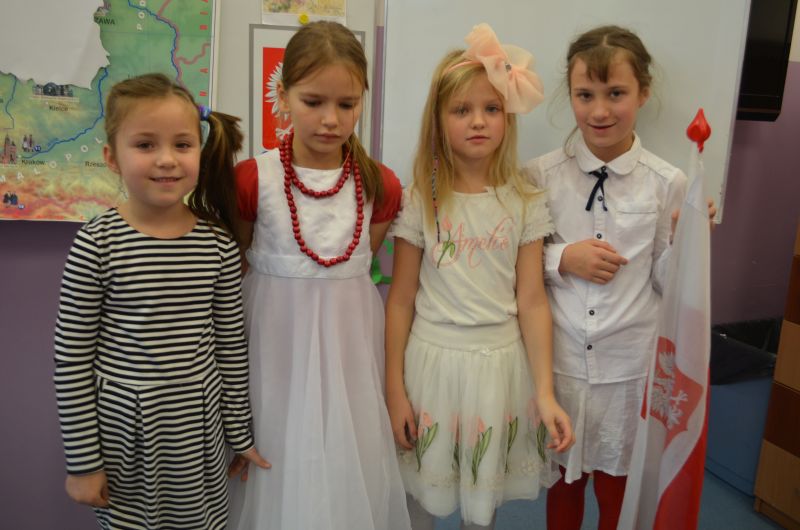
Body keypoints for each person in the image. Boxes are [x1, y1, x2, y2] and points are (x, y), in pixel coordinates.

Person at [54, 73, 269, 529]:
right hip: (126, 437)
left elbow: (230, 348)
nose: (167, 159)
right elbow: (71, 359)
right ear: (112, 157)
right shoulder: (97, 243)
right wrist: (83, 464)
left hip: (198, 433)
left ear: (200, 151)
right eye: (145, 145)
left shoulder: (217, 244)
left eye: (182, 145)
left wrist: (240, 434)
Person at [524, 25, 715, 530]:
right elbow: (516, 267)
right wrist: (562, 258)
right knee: (562, 488)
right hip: (562, 365)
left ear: (643, 93)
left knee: (617, 492)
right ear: (570, 95)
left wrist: (688, 243)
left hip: (628, 369)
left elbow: (666, 285)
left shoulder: (667, 182)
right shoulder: (541, 175)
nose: (600, 110)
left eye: (616, 94)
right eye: (585, 95)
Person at [385, 24, 575, 530]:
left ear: (507, 118)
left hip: (499, 369)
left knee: (481, 496)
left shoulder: (524, 201)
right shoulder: (420, 199)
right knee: (422, 492)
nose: (478, 121)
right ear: (438, 118)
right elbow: (400, 299)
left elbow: (532, 301)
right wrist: (394, 389)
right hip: (432, 367)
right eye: (461, 110)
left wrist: (544, 391)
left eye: (492, 109)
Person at [226, 21, 410, 530]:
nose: (331, 119)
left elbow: (360, 261)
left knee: (343, 458)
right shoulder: (252, 179)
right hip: (273, 350)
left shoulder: (381, 185)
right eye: (313, 102)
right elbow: (239, 260)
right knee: (277, 452)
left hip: (348, 351)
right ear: (283, 96)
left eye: (347, 104)